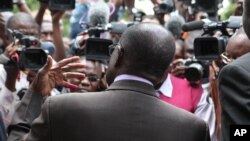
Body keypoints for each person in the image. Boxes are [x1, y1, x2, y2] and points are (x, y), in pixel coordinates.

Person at [7, 23, 210, 141]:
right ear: (167, 72)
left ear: (118, 56)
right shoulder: (192, 128)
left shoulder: (61, 108)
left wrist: (35, 92)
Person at [218, 21, 250, 141]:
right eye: (227, 57)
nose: (229, 64)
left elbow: (237, 134)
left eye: (237, 58)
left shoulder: (238, 75)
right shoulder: (224, 80)